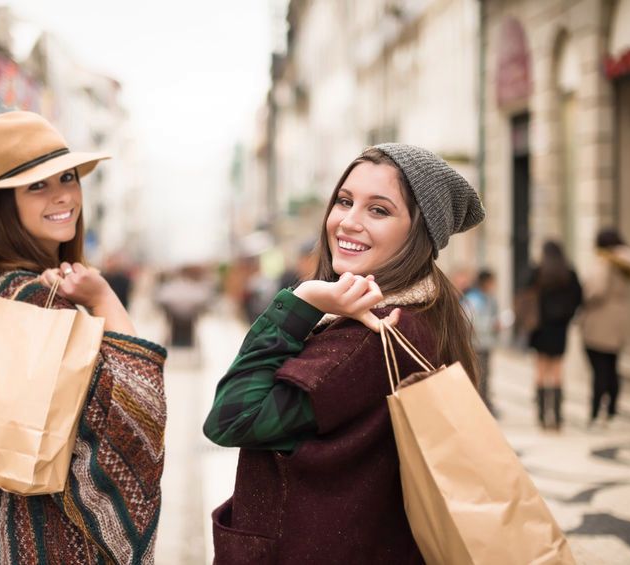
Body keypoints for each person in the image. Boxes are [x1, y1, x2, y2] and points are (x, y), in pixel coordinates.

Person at [203, 144, 484, 563]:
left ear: (419, 233)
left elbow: (230, 419)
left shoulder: (367, 338)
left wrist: (300, 301)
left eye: (379, 211)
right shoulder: (429, 313)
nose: (348, 223)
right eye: (345, 201)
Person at [0, 111, 167, 564]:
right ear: (2, 205)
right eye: (37, 185)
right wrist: (104, 300)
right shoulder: (32, 300)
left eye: (67, 177)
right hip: (42, 538)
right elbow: (138, 414)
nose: (63, 194)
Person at [580, 228, 630, 426]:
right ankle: (612, 409)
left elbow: (596, 290)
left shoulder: (605, 262)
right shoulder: (626, 262)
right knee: (612, 366)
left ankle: (596, 412)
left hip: (600, 320)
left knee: (599, 369)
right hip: (619, 319)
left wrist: (585, 297)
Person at [526, 240, 583, 430]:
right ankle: (557, 417)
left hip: (540, 328)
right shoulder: (569, 273)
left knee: (540, 370)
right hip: (560, 329)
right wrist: (566, 315)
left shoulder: (537, 272)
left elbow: (524, 293)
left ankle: (542, 416)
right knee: (557, 370)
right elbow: (579, 298)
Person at [463, 269, 500, 414]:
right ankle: (479, 406)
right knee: (480, 375)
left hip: (484, 343)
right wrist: (492, 325)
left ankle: (483, 404)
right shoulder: (475, 299)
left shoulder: (486, 298)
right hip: (476, 344)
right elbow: (472, 321)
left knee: (484, 375)